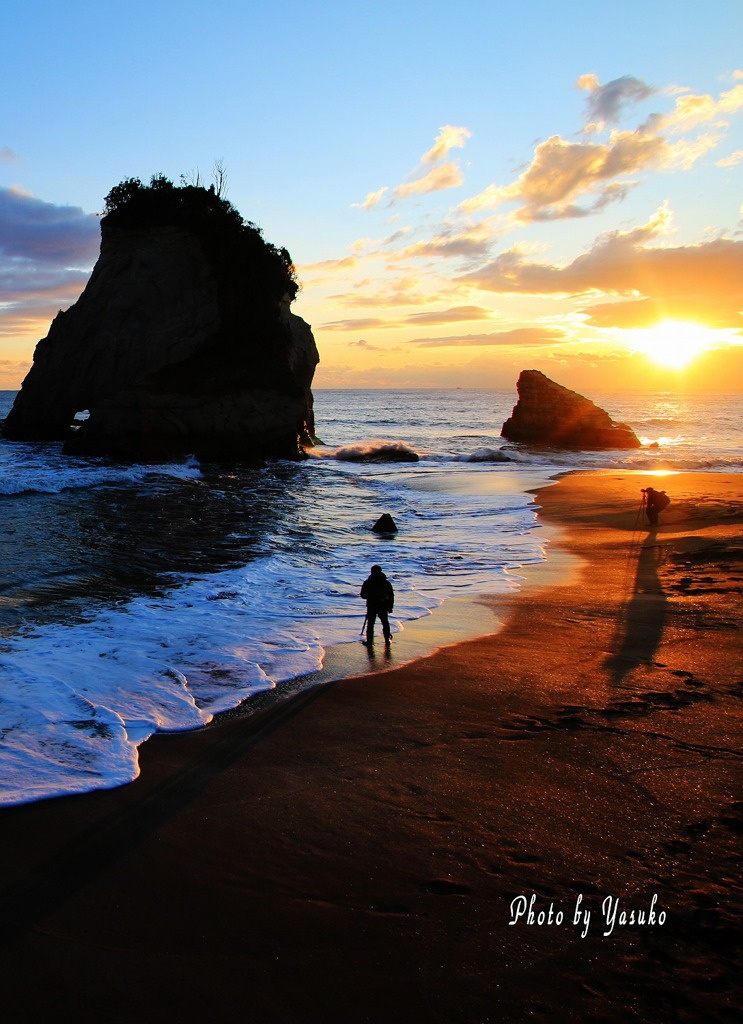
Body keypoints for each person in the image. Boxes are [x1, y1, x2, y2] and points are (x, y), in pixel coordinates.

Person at [360, 564, 394, 645]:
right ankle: (387, 640)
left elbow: (363, 595)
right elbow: (391, 596)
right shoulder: (386, 583)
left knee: (371, 624)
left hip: (372, 605)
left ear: (371, 572)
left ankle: (370, 641)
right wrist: (390, 606)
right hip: (383, 605)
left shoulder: (368, 582)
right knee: (385, 622)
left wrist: (370, 595)